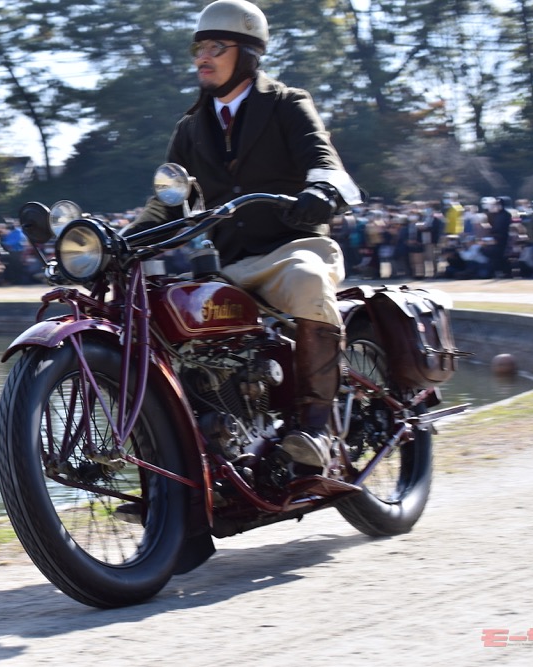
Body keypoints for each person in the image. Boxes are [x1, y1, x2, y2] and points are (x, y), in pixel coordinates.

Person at [121, 0, 362, 474]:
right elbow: (167, 201)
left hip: (294, 248)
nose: (202, 58)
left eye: (216, 46)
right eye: (198, 48)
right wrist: (117, 241)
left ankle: (315, 430)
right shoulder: (190, 128)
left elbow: (325, 160)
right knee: (169, 326)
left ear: (248, 52)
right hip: (228, 267)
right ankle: (186, 468)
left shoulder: (288, 104)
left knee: (307, 281)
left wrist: (321, 189)